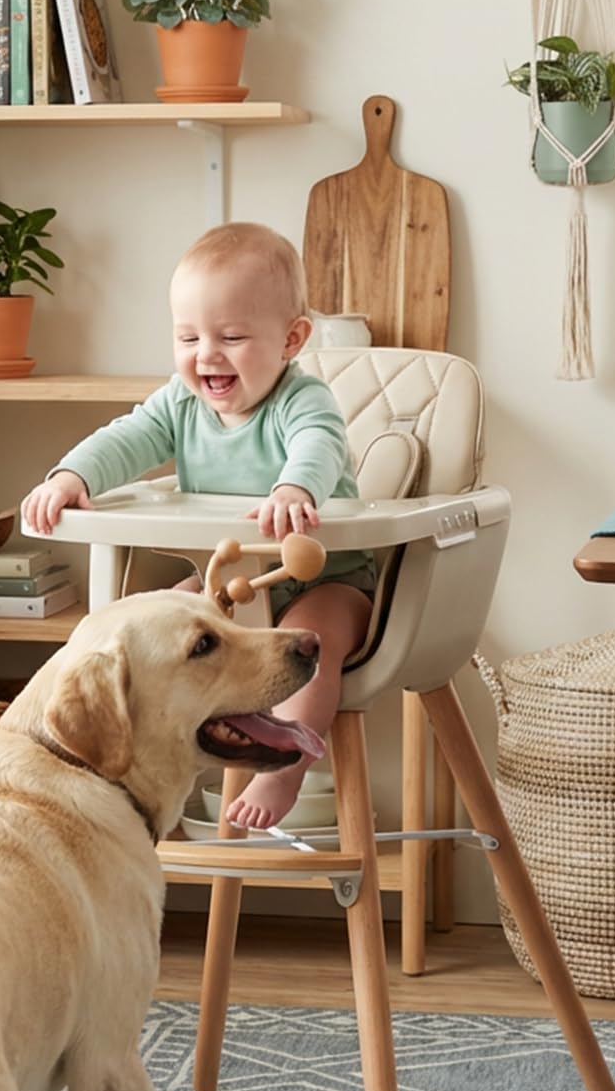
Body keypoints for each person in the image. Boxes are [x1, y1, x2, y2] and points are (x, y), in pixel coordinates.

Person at [22, 222, 373, 830]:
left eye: (232, 336)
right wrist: (72, 476)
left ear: (291, 339)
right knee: (160, 620)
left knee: (317, 634)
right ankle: (136, 764)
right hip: (229, 583)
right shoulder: (181, 405)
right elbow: (128, 438)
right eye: (188, 337)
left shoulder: (301, 400)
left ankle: (285, 766)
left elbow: (320, 444)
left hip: (325, 580)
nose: (206, 355)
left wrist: (295, 488)